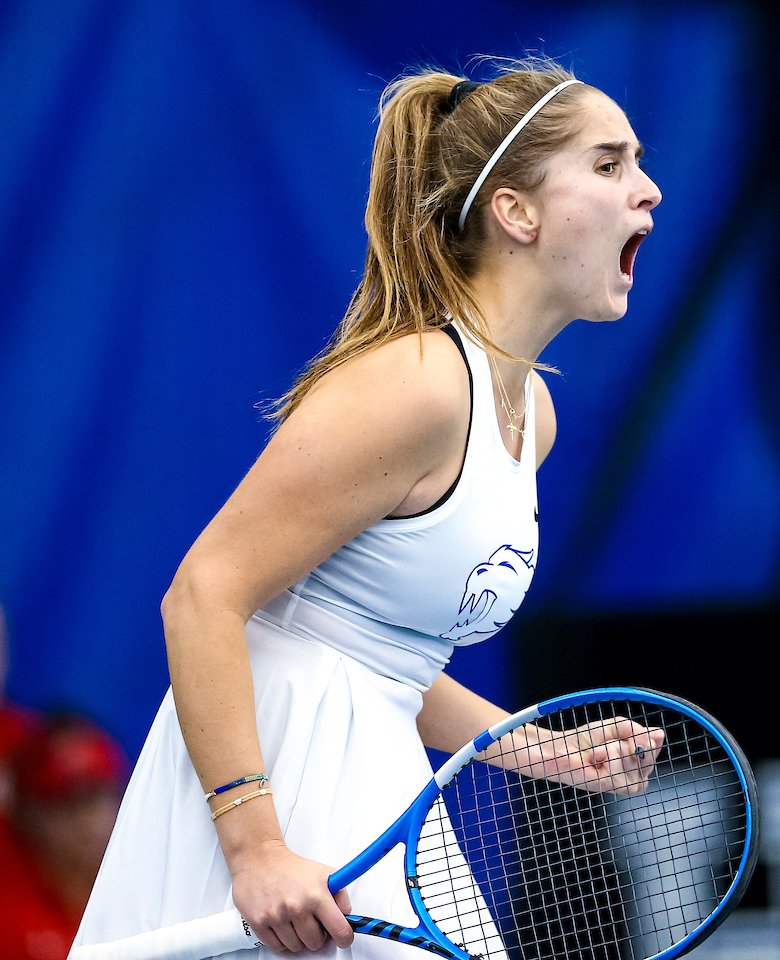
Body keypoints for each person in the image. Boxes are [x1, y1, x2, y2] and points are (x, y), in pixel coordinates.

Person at [73, 57, 663, 953]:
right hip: (272, 792)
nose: (649, 191)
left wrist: (529, 748)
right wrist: (257, 847)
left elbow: (379, 655)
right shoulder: (417, 384)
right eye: (610, 164)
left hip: (373, 780)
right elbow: (204, 595)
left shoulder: (528, 414)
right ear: (516, 210)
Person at [0, 714, 127, 960]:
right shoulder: (10, 907)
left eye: (100, 795)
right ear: (30, 811)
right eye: (70, 801)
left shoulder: (136, 895)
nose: (92, 820)